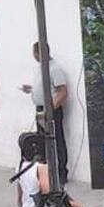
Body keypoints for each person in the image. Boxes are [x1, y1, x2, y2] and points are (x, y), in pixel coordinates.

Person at [22, 41, 69, 183]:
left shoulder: (54, 69)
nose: (34, 56)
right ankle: (46, 171)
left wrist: (50, 109)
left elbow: (63, 92)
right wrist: (32, 89)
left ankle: (61, 172)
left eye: (35, 53)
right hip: (40, 110)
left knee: (57, 140)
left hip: (50, 111)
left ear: (39, 53)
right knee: (42, 141)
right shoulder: (41, 68)